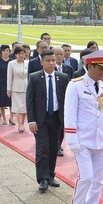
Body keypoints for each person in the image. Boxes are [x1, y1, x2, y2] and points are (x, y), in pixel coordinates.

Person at [64, 49, 103, 204]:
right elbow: (70, 114)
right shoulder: (76, 85)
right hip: (83, 141)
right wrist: (72, 139)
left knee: (97, 180)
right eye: (100, 68)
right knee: (86, 177)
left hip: (100, 140)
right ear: (89, 66)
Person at [26, 49, 69, 192]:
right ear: (41, 62)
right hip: (41, 119)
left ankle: (51, 175)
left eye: (53, 60)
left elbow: (66, 101)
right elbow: (30, 100)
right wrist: (31, 120)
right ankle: (42, 178)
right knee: (42, 148)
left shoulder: (62, 77)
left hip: (56, 118)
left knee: (53, 148)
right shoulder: (35, 77)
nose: (51, 63)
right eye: (48, 61)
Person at [53, 46, 74, 156]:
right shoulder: (50, 68)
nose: (60, 56)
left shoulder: (68, 68)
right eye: (57, 54)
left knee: (62, 125)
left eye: (61, 54)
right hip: (54, 102)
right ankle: (55, 146)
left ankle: (59, 145)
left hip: (65, 102)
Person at [7, 46, 29, 132]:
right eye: (19, 53)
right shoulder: (11, 63)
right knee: (18, 108)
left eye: (23, 53)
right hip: (16, 88)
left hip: (26, 88)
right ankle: (19, 124)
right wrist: (9, 89)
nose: (21, 55)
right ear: (15, 54)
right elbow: (9, 77)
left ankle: (23, 123)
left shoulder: (28, 63)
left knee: (24, 108)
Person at [0, 45, 14, 125]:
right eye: (5, 51)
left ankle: (11, 118)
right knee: (1, 102)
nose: (6, 52)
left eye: (8, 51)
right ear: (1, 52)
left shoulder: (12, 61)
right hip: (1, 83)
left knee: (11, 102)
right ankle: (4, 118)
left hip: (11, 83)